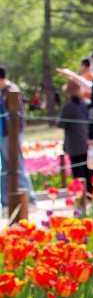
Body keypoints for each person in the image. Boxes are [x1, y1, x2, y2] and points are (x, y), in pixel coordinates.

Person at [0, 67, 33, 209]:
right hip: (4, 135)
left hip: (12, 135)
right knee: (6, 168)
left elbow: (16, 116)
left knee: (17, 165)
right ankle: (7, 201)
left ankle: (30, 199)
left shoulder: (11, 90)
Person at [58, 79, 92, 193]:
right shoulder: (85, 104)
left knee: (77, 170)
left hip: (74, 144)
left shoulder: (68, 106)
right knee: (87, 169)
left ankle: (80, 193)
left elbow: (61, 124)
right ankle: (89, 192)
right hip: (86, 142)